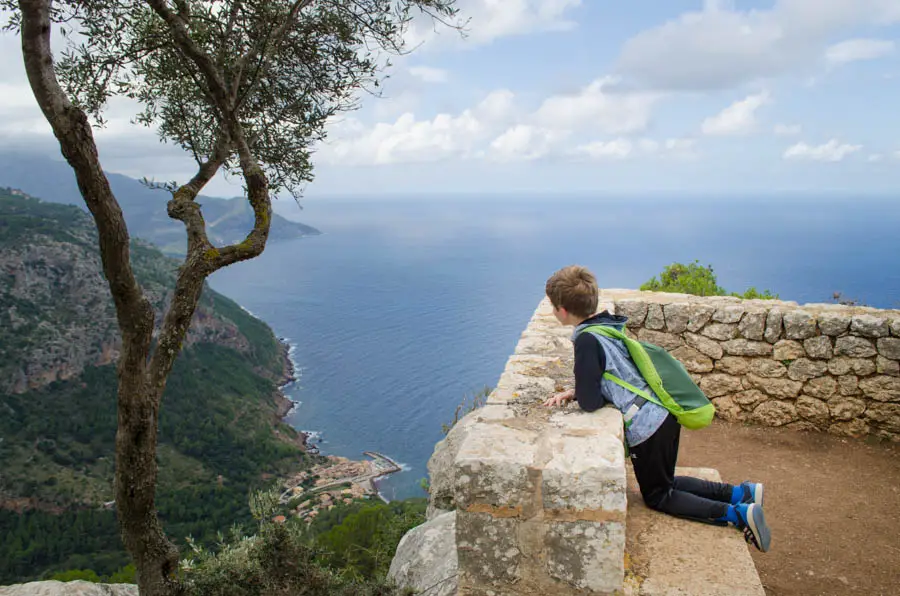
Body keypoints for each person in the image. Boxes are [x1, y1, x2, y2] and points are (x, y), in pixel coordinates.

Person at [541, 265, 771, 552]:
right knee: (666, 480)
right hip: (661, 414)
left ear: (562, 311)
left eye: (553, 306)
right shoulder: (605, 325)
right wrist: (579, 388)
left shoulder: (586, 340)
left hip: (647, 426)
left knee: (659, 495)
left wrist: (582, 391)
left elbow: (590, 403)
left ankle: (737, 515)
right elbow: (614, 372)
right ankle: (740, 493)